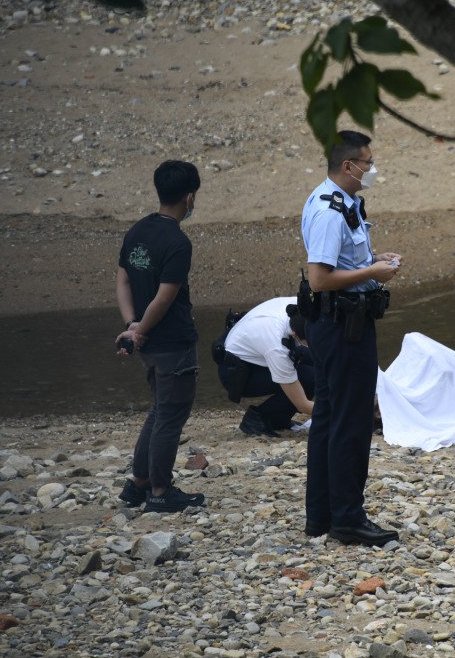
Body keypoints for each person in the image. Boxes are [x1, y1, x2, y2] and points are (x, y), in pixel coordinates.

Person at [299, 130, 402, 547]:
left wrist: (373, 262)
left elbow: (343, 261)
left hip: (338, 322)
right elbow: (319, 278)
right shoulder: (328, 210)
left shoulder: (344, 204)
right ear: (348, 166)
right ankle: (347, 519)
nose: (372, 169)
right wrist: (373, 274)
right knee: (351, 423)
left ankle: (321, 515)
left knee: (328, 417)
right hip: (342, 326)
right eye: (367, 161)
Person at [113, 160, 205, 513]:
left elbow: (122, 280)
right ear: (190, 196)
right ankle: (161, 491)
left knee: (159, 411)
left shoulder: (137, 231)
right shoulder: (177, 242)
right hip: (172, 342)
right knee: (170, 416)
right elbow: (165, 297)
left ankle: (139, 481)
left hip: (148, 342)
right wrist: (141, 329)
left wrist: (132, 325)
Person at [216, 297, 315, 437]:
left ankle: (279, 420)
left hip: (255, 350)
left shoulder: (302, 306)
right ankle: (257, 419)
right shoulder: (277, 348)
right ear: (295, 335)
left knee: (317, 360)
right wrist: (338, 412)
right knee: (309, 378)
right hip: (237, 371)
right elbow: (302, 404)